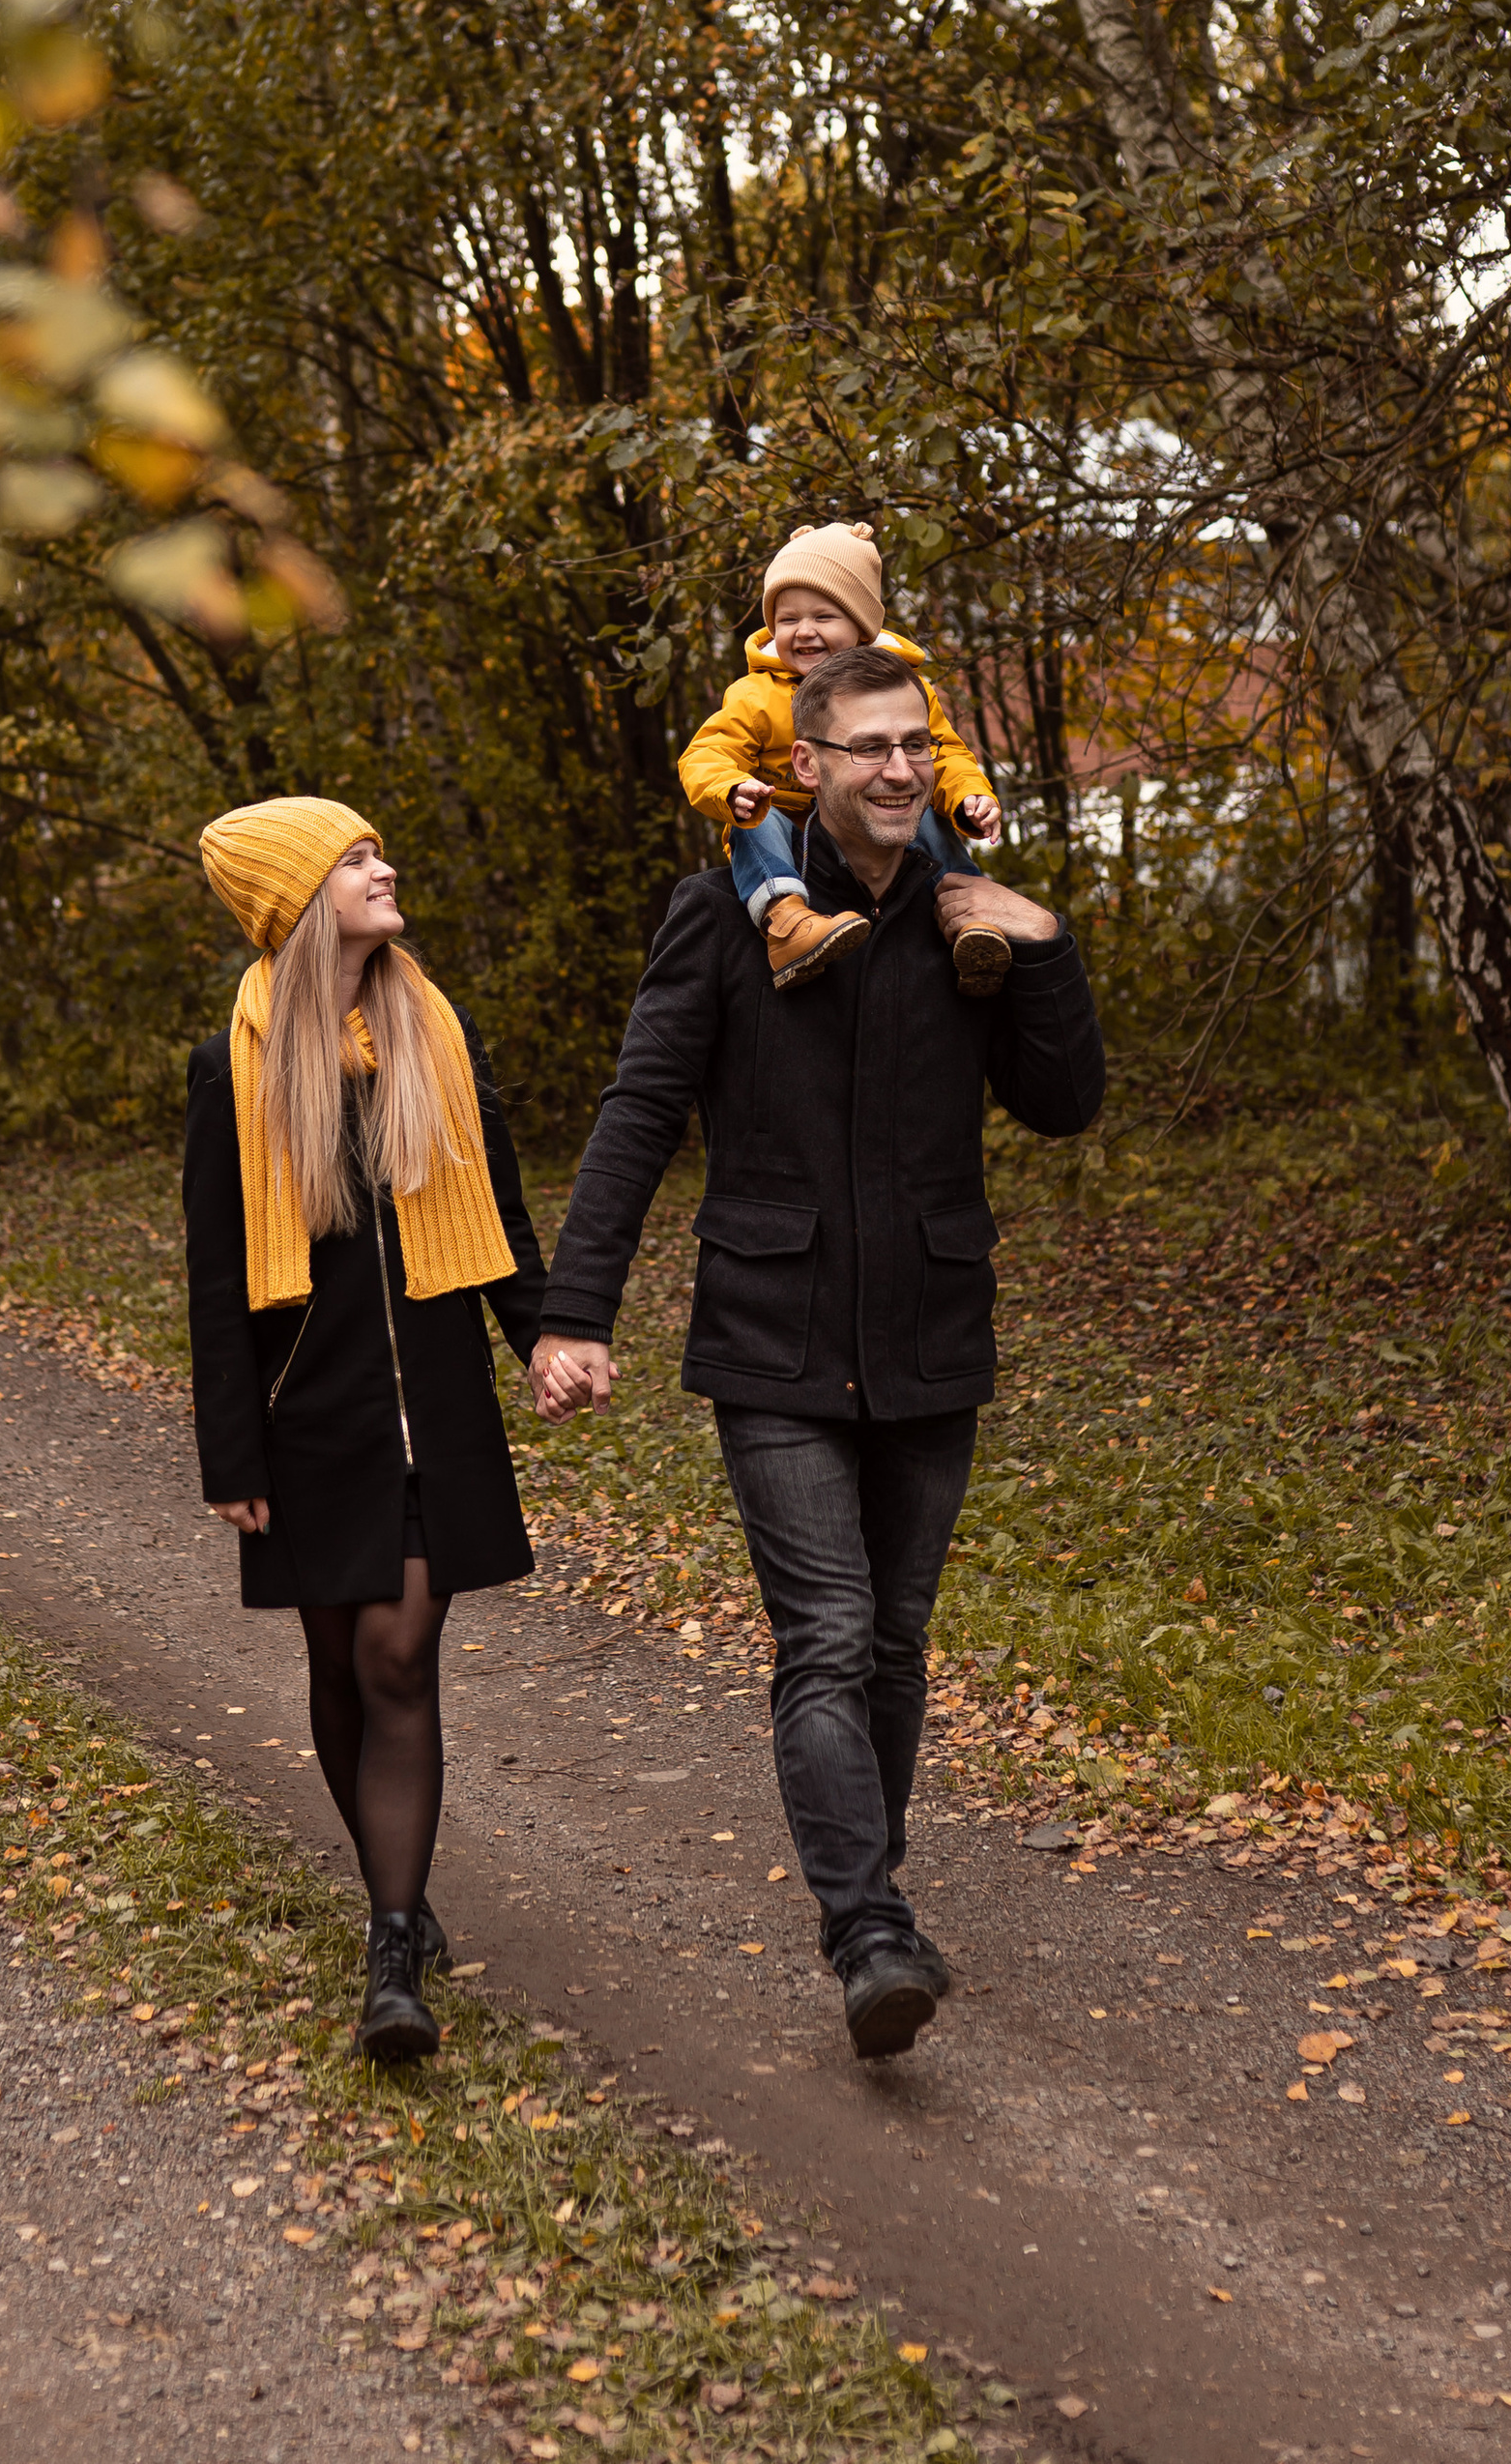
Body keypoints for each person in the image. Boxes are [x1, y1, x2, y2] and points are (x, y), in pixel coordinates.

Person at [532, 644, 1105, 2061]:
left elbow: (1064, 1104)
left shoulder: (966, 921)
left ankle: (875, 1888)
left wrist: (1044, 947)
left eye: (917, 743)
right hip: (772, 1340)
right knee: (830, 1637)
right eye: (868, 748)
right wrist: (574, 1308)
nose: (901, 768)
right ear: (807, 766)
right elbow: (640, 1113)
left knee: (896, 1647)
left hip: (928, 1332)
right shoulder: (726, 918)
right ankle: (865, 1932)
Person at [184, 795, 546, 2066]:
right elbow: (218, 1270)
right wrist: (230, 1452)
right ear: (300, 904)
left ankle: (394, 1943)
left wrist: (545, 1333)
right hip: (309, 1421)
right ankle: (395, 1889)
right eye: (357, 860)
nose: (386, 869)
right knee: (338, 1669)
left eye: (380, 850)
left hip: (430, 1411)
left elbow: (496, 1201)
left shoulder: (432, 1031)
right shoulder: (234, 1063)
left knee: (398, 1657)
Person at [680, 519, 1007, 996]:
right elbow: (705, 752)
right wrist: (731, 788)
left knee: (926, 810)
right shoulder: (756, 695)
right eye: (788, 620)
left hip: (869, 819)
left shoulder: (901, 691)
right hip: (789, 827)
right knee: (756, 821)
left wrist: (970, 797)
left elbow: (944, 754)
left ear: (861, 625)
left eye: (824, 617)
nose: (803, 632)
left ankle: (972, 916)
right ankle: (787, 922)